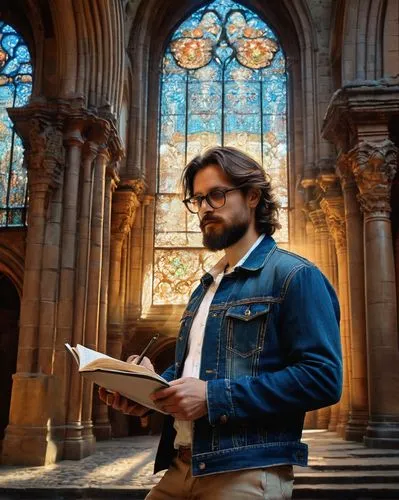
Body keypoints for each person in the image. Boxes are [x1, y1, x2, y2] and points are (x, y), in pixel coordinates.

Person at [99, 146, 342, 499]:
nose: (205, 208)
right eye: (198, 200)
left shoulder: (296, 276)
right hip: (183, 465)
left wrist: (213, 398)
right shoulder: (206, 287)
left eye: (216, 195)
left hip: (246, 471)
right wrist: (145, 390)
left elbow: (323, 379)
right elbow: (196, 375)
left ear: (253, 196)